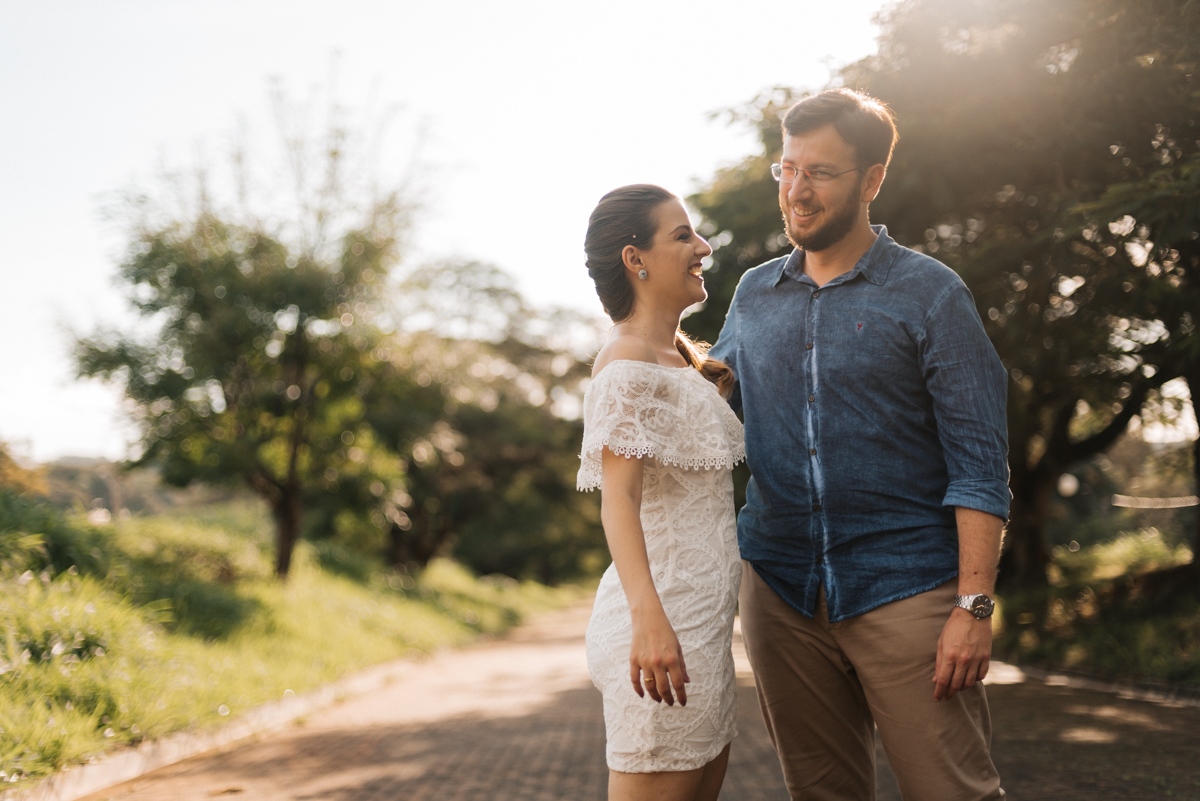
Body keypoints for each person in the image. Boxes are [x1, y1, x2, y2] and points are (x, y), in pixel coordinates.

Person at [709, 88, 1010, 799]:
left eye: (819, 172)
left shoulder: (931, 294)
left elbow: (979, 466)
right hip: (780, 594)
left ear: (872, 179)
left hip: (906, 588)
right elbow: (711, 404)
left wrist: (972, 608)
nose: (796, 190)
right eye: (786, 169)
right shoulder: (753, 294)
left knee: (954, 790)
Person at [578, 184, 745, 801]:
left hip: (702, 632)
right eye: (682, 236)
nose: (702, 246)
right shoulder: (625, 360)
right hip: (660, 633)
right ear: (634, 258)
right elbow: (616, 499)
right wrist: (650, 622)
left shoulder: (680, 361)